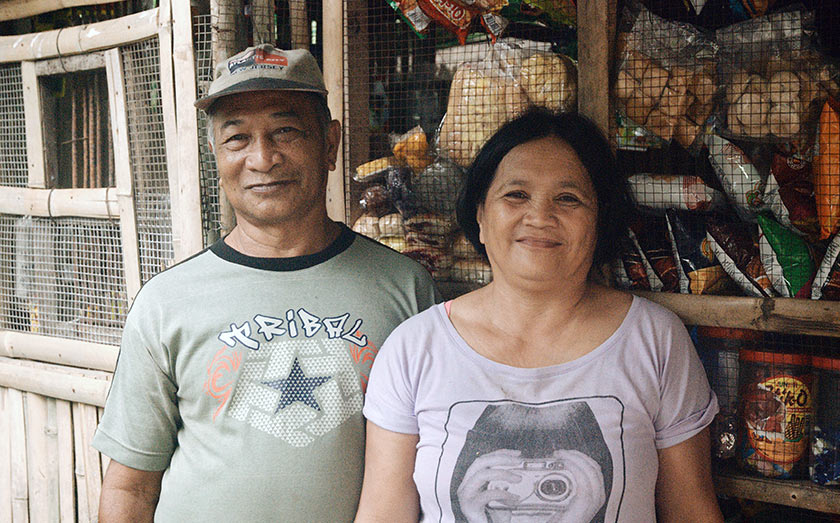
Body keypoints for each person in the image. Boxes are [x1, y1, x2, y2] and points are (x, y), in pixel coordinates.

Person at [92, 44, 439, 522]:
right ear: (215, 153)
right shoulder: (166, 302)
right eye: (237, 138)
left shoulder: (406, 289)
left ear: (330, 144)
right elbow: (129, 488)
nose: (263, 158)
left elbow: (436, 465)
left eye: (286, 131)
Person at [356, 108, 724, 522]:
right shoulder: (415, 348)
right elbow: (382, 513)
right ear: (480, 215)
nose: (540, 216)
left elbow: (692, 509)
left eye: (568, 198)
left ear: (600, 221)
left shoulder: (654, 340)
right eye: (516, 195)